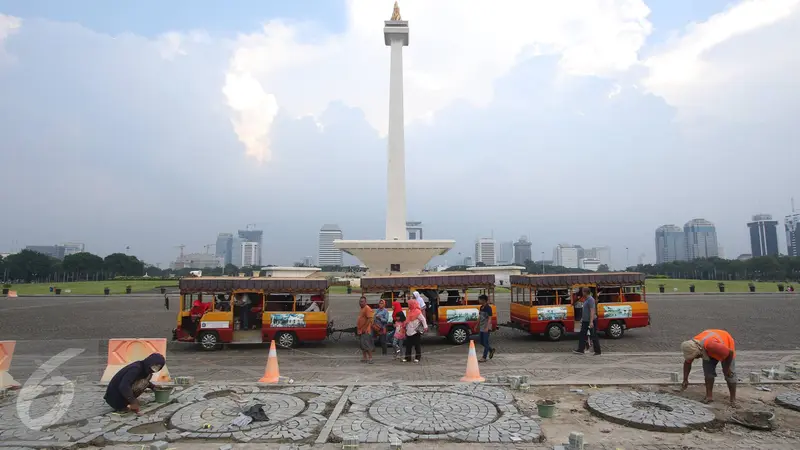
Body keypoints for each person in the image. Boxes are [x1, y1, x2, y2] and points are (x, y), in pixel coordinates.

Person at [681, 329, 736, 405]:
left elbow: (730, 353)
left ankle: (733, 400)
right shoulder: (692, 346)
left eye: (697, 356)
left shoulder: (711, 345)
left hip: (725, 345)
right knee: (708, 373)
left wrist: (726, 368)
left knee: (729, 375)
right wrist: (685, 379)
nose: (696, 358)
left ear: (699, 351)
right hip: (708, 349)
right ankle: (709, 396)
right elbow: (687, 363)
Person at [573, 287, 601, 355]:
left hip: (590, 321)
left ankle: (597, 351)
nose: (582, 293)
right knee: (582, 335)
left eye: (583, 292)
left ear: (585, 292)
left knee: (593, 336)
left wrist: (591, 321)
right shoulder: (586, 299)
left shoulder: (590, 300)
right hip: (585, 321)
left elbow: (592, 311)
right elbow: (585, 311)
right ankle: (580, 349)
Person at [403, 297, 428, 363]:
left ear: (412, 304)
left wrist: (425, 327)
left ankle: (417, 357)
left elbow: (423, 319)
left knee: (417, 345)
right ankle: (407, 358)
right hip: (409, 331)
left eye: (409, 304)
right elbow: (407, 320)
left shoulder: (417, 312)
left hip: (416, 331)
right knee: (408, 345)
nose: (408, 305)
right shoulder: (409, 311)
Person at [356, 296, 375, 364]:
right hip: (361, 330)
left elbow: (369, 319)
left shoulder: (367, 308)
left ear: (365, 302)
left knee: (367, 344)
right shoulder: (362, 308)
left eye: (362, 301)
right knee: (362, 345)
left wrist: (364, 328)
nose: (360, 303)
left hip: (366, 330)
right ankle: (365, 358)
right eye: (360, 301)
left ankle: (370, 358)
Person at [477, 294, 496, 362]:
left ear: (483, 300)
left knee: (485, 342)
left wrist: (487, 328)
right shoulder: (481, 307)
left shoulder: (488, 308)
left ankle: (484, 357)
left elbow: (489, 319)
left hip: (486, 327)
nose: (478, 300)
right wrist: (477, 325)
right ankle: (491, 350)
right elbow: (479, 317)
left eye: (479, 299)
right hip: (481, 327)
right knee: (481, 342)